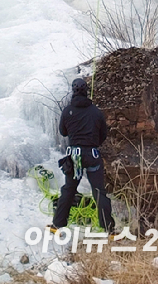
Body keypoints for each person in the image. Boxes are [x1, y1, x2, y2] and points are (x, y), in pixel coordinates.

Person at [51, 77, 115, 234]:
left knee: (69, 189)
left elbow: (63, 132)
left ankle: (57, 225)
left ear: (73, 91)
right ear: (86, 91)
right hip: (92, 154)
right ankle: (109, 229)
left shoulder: (67, 111)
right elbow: (103, 135)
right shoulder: (96, 112)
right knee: (99, 191)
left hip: (75, 156)